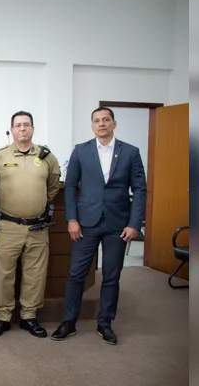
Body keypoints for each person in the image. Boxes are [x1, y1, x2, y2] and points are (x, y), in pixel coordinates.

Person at [51, 107, 147, 345]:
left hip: (118, 224)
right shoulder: (81, 151)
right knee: (76, 274)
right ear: (92, 125)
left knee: (112, 276)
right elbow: (70, 186)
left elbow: (140, 189)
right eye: (96, 121)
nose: (101, 124)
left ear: (114, 124)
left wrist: (135, 224)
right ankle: (69, 322)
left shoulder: (131, 152)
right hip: (86, 223)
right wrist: (71, 219)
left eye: (106, 120)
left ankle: (105, 323)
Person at [0, 111, 60, 339]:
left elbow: (53, 188)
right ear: (12, 129)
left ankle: (29, 316)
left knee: (35, 274)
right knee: (3, 274)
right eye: (18, 125)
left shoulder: (47, 157)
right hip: (8, 226)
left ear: (33, 129)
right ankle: (3, 317)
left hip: (37, 228)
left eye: (27, 125)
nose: (23, 129)